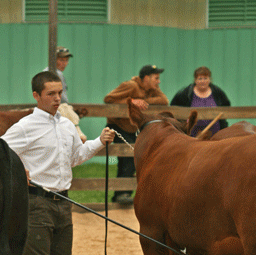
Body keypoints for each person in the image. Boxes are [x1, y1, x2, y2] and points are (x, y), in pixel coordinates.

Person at [0, 70, 116, 255]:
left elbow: (76, 156)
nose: (56, 98)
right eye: (50, 94)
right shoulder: (25, 126)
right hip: (36, 202)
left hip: (64, 202)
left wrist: (100, 141)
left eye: (59, 92)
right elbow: (0, 151)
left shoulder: (66, 125)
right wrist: (20, 170)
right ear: (36, 96)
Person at [103, 64, 169, 205]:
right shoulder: (130, 85)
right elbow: (109, 98)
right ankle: (121, 193)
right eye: (156, 78)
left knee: (137, 157)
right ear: (146, 78)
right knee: (127, 156)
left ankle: (123, 193)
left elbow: (164, 100)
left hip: (132, 127)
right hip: (118, 125)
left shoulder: (151, 90)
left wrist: (143, 101)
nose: (159, 81)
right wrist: (132, 101)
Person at [170, 66, 232, 137]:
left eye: (205, 78)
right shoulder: (186, 93)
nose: (203, 81)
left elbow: (226, 108)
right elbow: (174, 109)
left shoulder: (218, 92)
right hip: (191, 136)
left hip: (215, 136)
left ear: (210, 80)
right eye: (200, 78)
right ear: (195, 80)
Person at [43, 46, 87, 142]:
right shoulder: (56, 73)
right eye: (61, 60)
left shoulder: (45, 72)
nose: (64, 63)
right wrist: (68, 108)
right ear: (53, 60)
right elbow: (62, 99)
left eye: (66, 60)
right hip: (57, 109)